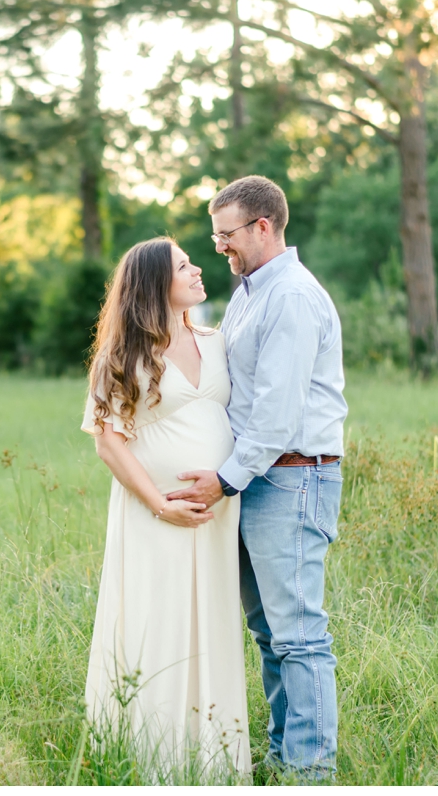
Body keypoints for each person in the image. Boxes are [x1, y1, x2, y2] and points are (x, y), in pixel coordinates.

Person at [168, 175, 347, 779]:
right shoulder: (249, 292)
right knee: (270, 634)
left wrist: (223, 481)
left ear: (262, 227)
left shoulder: (291, 296)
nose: (219, 248)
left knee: (299, 636)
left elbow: (275, 416)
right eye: (215, 237)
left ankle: (310, 773)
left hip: (290, 479)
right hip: (256, 481)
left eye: (226, 236)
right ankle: (282, 756)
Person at [81, 236, 252, 778]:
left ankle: (214, 762)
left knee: (212, 619)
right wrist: (159, 504)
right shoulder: (123, 354)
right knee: (160, 620)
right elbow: (109, 441)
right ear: (158, 283)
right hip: (155, 514)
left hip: (217, 513)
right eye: (184, 265)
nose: (199, 268)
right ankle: (153, 759)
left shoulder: (215, 340)